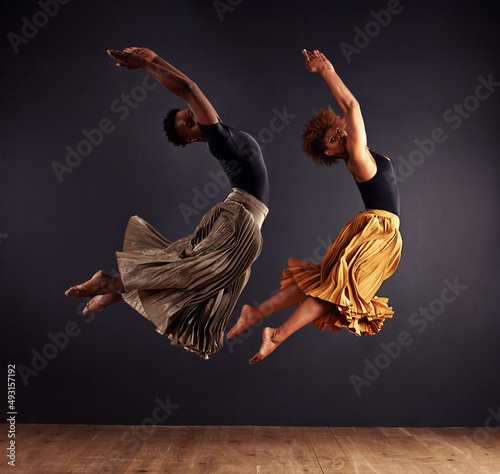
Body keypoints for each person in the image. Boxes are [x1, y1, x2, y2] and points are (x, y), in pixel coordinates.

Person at [65, 47, 269, 359]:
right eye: (188, 123)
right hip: (240, 220)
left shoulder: (221, 129)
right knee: (190, 272)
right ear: (190, 139)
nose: (192, 117)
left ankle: (114, 288)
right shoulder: (218, 139)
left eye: (188, 116)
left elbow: (189, 88)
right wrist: (146, 66)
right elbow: (189, 90)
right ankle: (112, 284)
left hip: (241, 218)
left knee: (184, 265)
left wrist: (156, 59)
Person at [227, 49, 402, 364]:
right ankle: (275, 334)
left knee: (327, 283)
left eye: (336, 131)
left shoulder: (358, 150)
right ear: (333, 153)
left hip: (375, 230)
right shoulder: (358, 157)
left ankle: (257, 313)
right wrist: (326, 70)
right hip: (377, 230)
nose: (338, 134)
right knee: (338, 293)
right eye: (332, 140)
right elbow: (351, 105)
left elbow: (349, 115)